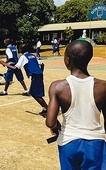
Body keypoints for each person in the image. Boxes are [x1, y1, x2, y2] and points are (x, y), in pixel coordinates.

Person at [46, 40, 106, 170]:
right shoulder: (103, 87)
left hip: (68, 142)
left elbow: (50, 122)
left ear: (67, 60)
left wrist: (56, 127)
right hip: (95, 143)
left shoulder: (57, 87)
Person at [0, 43, 48, 116]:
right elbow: (42, 64)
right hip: (38, 75)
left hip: (35, 76)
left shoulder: (23, 57)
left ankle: (48, 110)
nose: (18, 49)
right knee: (32, 92)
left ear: (22, 49)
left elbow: (16, 67)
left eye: (19, 48)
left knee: (36, 94)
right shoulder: (32, 55)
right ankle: (45, 108)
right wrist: (40, 72)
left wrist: (4, 63)